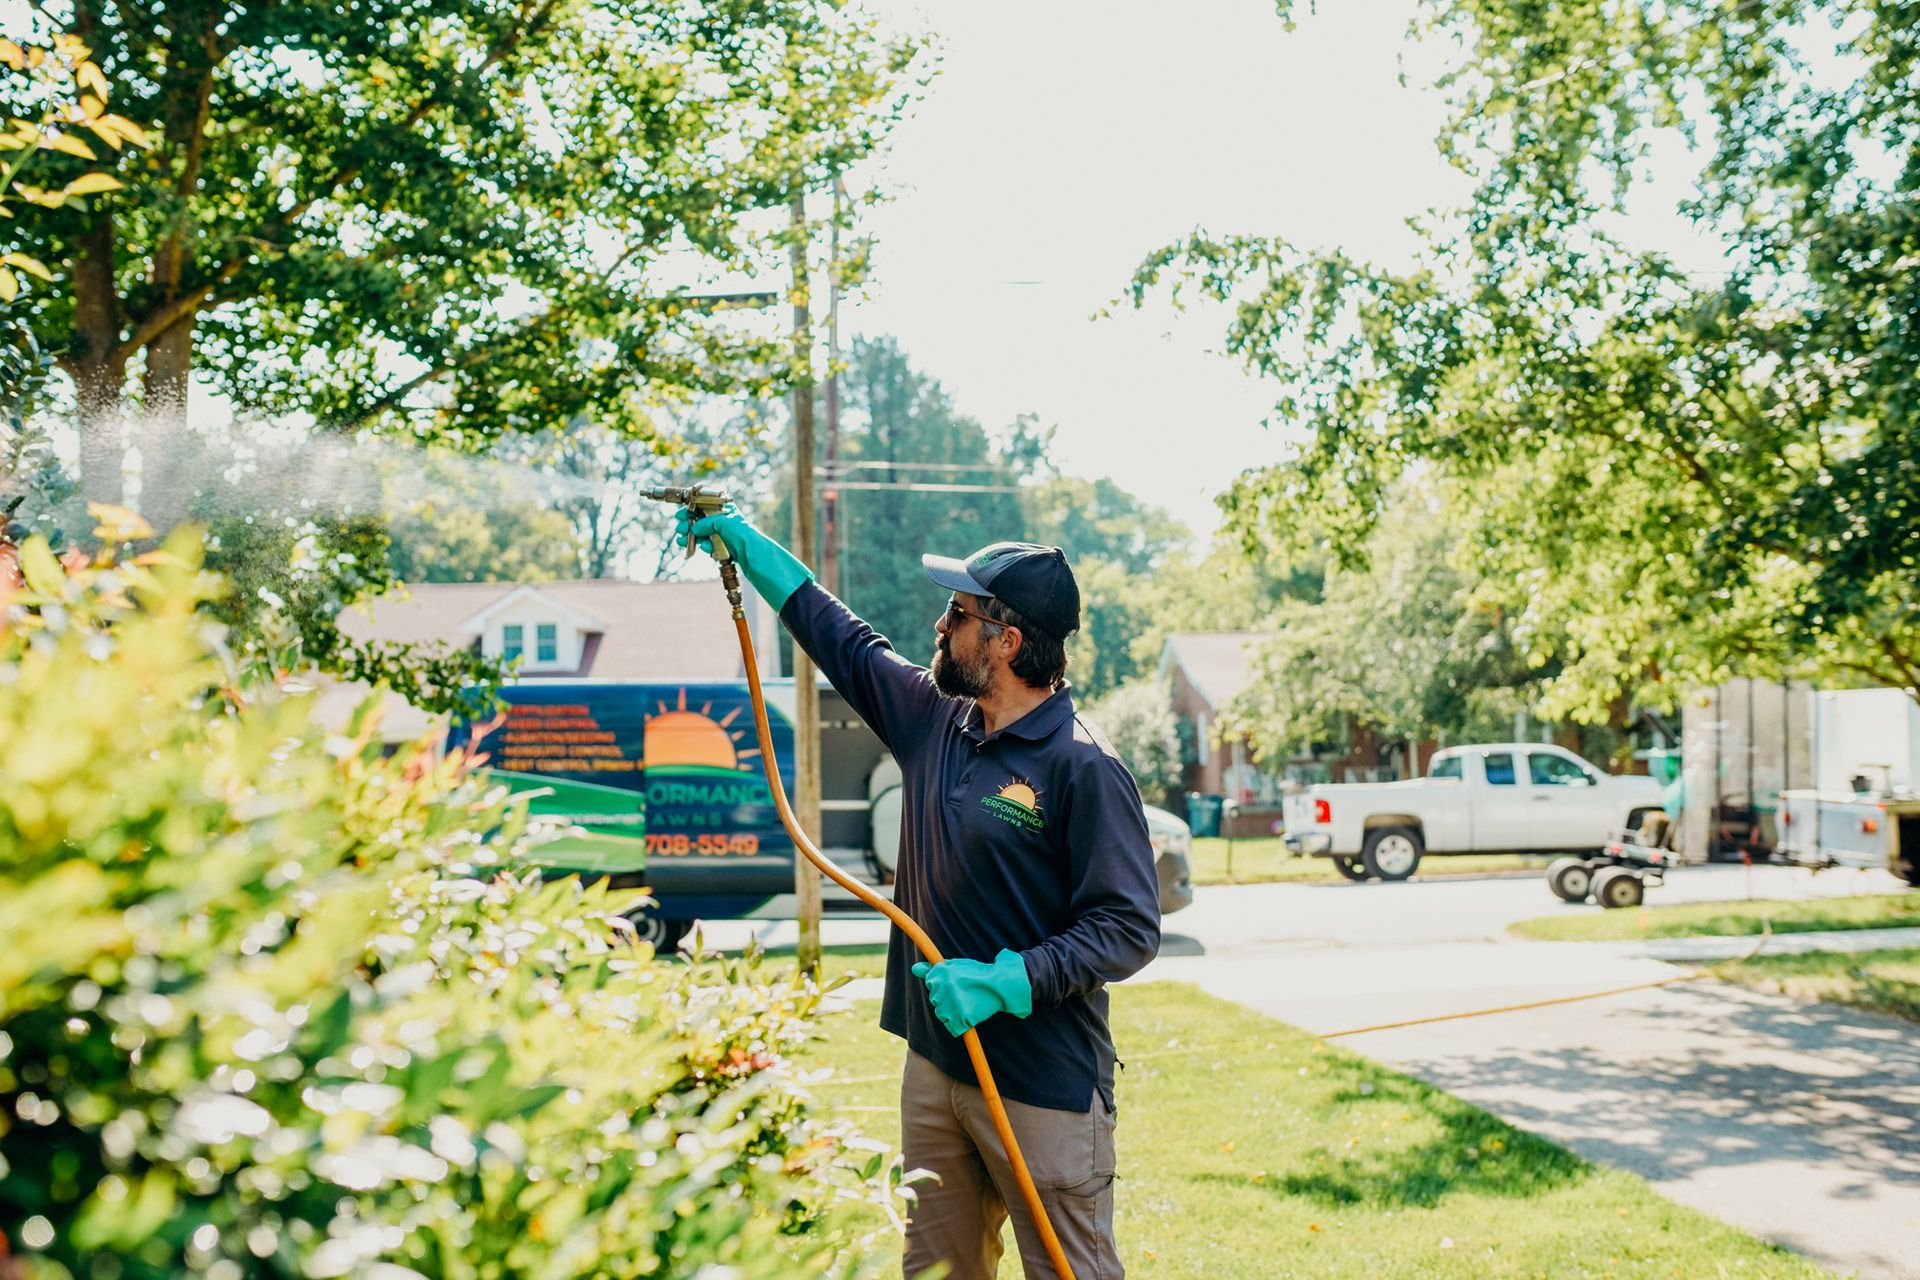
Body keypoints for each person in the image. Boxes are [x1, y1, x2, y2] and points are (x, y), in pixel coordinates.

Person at [677, 504, 1161, 1280]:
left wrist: (1009, 981)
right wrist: (744, 542)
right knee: (935, 1271)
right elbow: (840, 635)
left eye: (959, 612)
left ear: (1006, 641)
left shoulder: (1083, 766)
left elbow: (1128, 925)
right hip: (937, 1070)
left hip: (1041, 1084)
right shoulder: (936, 721)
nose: (940, 624)